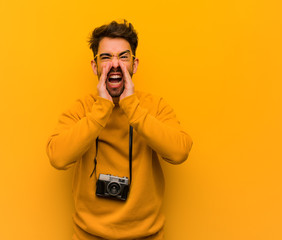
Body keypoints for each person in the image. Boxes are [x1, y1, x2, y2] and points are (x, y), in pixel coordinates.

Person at [46, 20, 193, 240]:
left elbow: (179, 151)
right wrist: (101, 110)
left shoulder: (154, 106)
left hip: (147, 235)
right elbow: (57, 157)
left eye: (123, 57)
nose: (115, 65)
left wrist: (132, 106)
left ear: (135, 64)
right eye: (106, 57)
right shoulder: (82, 109)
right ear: (95, 66)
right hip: (88, 235)